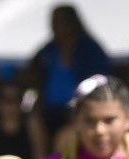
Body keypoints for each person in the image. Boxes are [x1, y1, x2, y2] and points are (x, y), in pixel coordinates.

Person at [24, 4, 111, 139]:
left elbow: (100, 80)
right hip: (49, 110)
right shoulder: (49, 49)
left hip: (79, 110)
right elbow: (31, 74)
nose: (55, 25)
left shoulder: (89, 48)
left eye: (60, 20)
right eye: (53, 21)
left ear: (72, 22)